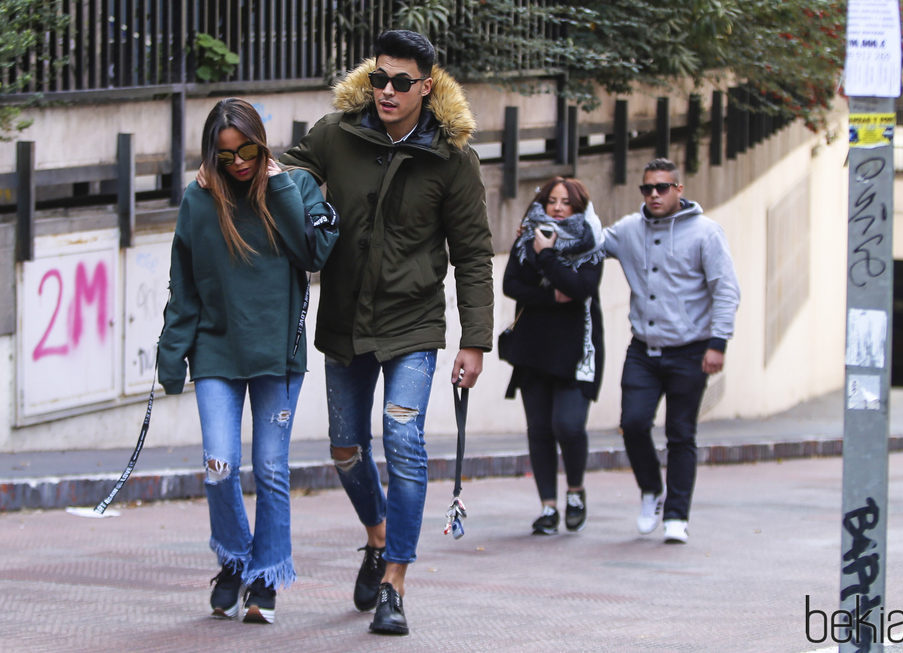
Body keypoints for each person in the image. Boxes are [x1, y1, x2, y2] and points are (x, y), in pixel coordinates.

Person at [279, 29, 493, 635]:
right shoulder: (337, 133)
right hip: (344, 320)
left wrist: (475, 339)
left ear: (428, 85)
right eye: (380, 78)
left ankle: (395, 580)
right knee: (346, 451)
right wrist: (229, 170)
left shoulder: (451, 159)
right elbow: (286, 175)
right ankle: (377, 536)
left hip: (412, 324)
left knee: (403, 436)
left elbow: (474, 253)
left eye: (402, 82)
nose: (387, 91)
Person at [159, 98, 338, 624]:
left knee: (271, 470)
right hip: (216, 351)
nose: (238, 162)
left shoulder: (295, 187)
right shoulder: (199, 200)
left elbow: (315, 254)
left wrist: (277, 181)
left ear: (264, 144)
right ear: (211, 155)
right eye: (225, 154)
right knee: (218, 467)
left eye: (248, 150)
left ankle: (265, 579)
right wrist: (172, 357)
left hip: (277, 355)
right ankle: (236, 561)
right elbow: (183, 286)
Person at [603, 158, 740, 545]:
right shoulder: (630, 229)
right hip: (643, 350)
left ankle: (677, 515)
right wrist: (549, 234)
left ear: (679, 189)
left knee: (681, 434)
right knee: (633, 423)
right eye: (647, 188)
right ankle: (651, 490)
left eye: (662, 187)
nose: (654, 195)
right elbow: (592, 243)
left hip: (690, 351)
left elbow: (726, 289)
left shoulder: (706, 233)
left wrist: (718, 343)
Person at [501, 177, 605, 535]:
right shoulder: (526, 234)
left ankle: (575, 491)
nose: (558, 207)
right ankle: (548, 507)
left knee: (569, 425)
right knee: (540, 429)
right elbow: (510, 285)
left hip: (578, 348)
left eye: (567, 202)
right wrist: (549, 297)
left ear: (579, 207)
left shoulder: (591, 241)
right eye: (552, 201)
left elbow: (581, 288)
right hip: (534, 347)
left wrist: (546, 255)